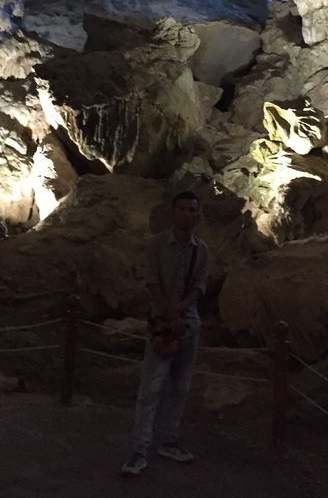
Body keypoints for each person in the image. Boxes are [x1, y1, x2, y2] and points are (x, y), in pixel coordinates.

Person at [121, 190, 209, 476]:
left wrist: (181, 310)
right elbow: (152, 281)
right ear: (173, 212)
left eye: (191, 210)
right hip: (163, 323)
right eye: (182, 209)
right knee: (152, 385)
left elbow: (199, 285)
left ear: (197, 214)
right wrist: (168, 311)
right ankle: (140, 449)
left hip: (188, 324)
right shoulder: (157, 245)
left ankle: (168, 440)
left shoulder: (201, 249)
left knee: (181, 386)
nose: (186, 214)